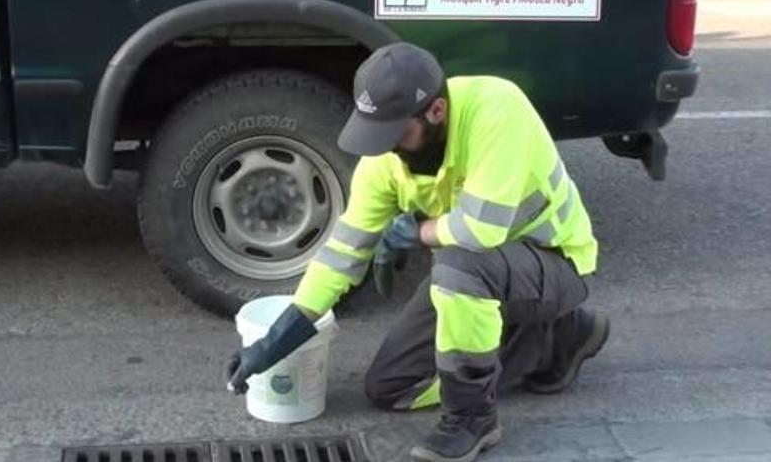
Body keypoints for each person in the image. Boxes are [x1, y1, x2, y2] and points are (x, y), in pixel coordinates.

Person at [226, 42, 610, 462]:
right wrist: (275, 343)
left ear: (437, 112)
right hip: (484, 273)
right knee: (391, 388)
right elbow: (341, 256)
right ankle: (556, 341)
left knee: (458, 265)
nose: (388, 148)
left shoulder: (497, 110)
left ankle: (473, 417)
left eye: (396, 134)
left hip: (555, 263)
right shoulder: (385, 163)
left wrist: (415, 232)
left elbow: (482, 229)